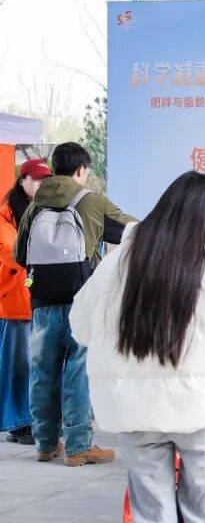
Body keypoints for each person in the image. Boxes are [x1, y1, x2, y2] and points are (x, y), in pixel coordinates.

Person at [69, 171, 205, 520]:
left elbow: (79, 324)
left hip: (134, 407)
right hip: (198, 406)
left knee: (151, 512)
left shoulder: (119, 261)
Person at [15, 141, 135, 466]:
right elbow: (131, 230)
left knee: (42, 371)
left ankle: (45, 443)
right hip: (82, 299)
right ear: (81, 170)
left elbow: (20, 255)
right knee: (78, 370)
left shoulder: (35, 206)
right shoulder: (91, 200)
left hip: (41, 301)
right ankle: (79, 446)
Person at [0, 159, 50, 444]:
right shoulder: (6, 214)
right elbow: (11, 253)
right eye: (36, 179)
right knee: (17, 364)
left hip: (37, 298)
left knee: (33, 365)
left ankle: (30, 419)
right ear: (22, 180)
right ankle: (18, 423)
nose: (41, 184)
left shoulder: (43, 210)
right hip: (14, 301)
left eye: (45, 179)